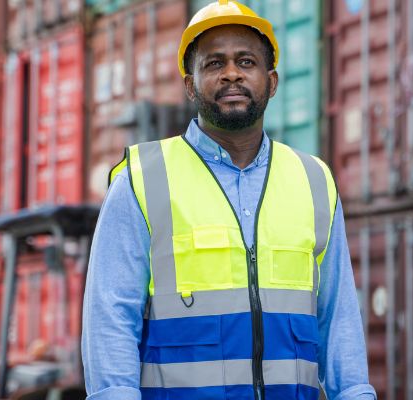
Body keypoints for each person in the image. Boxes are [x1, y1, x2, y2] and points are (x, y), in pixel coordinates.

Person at [81, 1, 376, 399]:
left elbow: (338, 316)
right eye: (214, 63)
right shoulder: (142, 180)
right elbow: (110, 318)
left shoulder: (313, 181)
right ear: (190, 85)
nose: (232, 73)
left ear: (272, 82)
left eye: (246, 62)